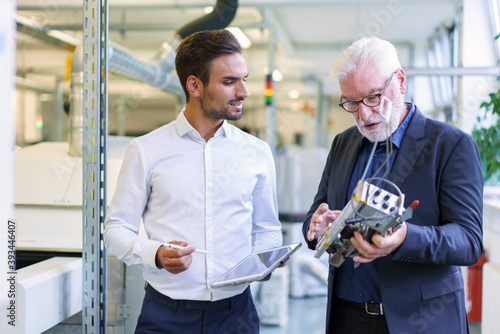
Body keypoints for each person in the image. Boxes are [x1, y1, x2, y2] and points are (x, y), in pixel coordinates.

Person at [104, 29, 282, 334]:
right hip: (166, 315)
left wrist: (264, 261)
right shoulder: (146, 150)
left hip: (236, 314)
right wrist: (156, 253)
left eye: (244, 79)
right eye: (229, 82)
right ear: (194, 85)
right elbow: (115, 230)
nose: (244, 92)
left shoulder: (257, 152)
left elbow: (267, 229)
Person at [302, 37, 483, 334]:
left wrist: (404, 237)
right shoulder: (342, 143)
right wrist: (316, 226)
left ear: (400, 81)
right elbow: (316, 213)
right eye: (351, 102)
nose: (363, 114)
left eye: (373, 97)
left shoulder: (451, 145)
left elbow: (468, 241)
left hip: (420, 320)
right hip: (348, 318)